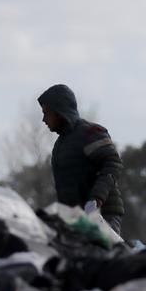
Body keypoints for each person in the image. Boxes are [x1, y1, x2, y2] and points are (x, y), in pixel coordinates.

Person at [37, 83, 124, 235]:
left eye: (47, 113)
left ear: (59, 111)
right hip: (77, 219)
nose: (44, 119)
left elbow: (112, 164)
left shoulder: (90, 133)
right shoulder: (60, 144)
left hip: (101, 215)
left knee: (102, 255)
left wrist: (96, 200)